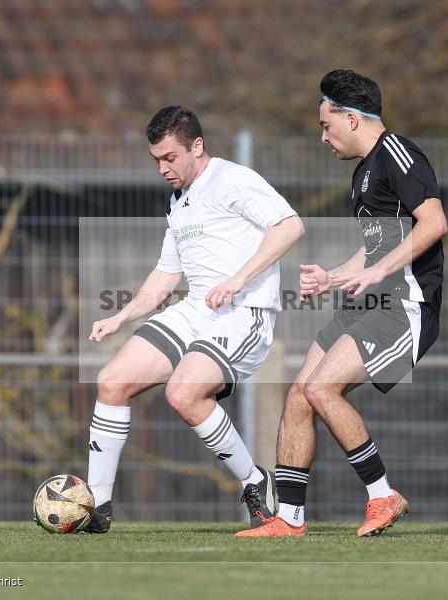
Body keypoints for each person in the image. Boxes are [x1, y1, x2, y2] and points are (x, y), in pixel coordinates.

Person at [237, 70, 448, 537]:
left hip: (405, 305)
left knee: (321, 389)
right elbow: (377, 245)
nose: (322, 136)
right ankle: (288, 519)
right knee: (299, 393)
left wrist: (376, 272)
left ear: (352, 119)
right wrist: (335, 277)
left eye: (325, 124)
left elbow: (433, 223)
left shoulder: (399, 154)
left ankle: (382, 495)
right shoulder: (363, 171)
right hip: (371, 300)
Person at [85, 106, 304, 532]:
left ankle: (253, 480)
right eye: (157, 161)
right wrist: (122, 316)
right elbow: (167, 275)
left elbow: (290, 226)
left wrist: (238, 280)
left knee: (184, 394)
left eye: (170, 158)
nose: (163, 168)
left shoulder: (232, 179)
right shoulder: (179, 199)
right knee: (112, 381)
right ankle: (96, 507)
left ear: (197, 147)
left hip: (244, 314)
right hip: (195, 311)